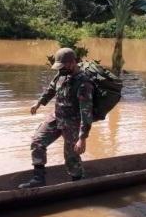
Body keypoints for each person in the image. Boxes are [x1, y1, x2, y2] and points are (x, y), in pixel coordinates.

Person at [19, 48, 94, 189]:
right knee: (37, 141)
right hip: (57, 116)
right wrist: (39, 103)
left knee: (71, 156)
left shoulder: (84, 83)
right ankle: (38, 178)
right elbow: (51, 89)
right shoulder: (61, 75)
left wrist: (82, 138)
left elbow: (86, 112)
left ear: (72, 63)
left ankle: (77, 184)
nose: (60, 69)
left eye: (62, 65)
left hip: (72, 122)